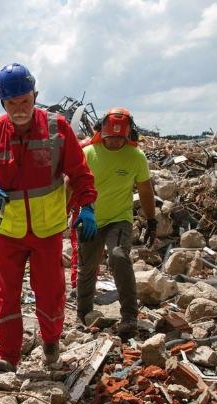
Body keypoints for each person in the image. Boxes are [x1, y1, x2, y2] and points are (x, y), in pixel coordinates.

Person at [0, 63, 97, 372]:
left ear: (35, 96)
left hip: (47, 231)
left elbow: (79, 172)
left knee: (50, 291)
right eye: (12, 104)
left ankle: (51, 343)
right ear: (3, 103)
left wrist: (88, 206)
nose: (19, 109)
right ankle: (8, 355)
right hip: (8, 232)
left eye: (25, 101)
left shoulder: (57, 129)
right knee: (6, 294)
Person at [76, 107, 157, 338]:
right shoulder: (89, 153)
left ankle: (130, 316)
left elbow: (145, 190)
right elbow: (72, 185)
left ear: (128, 135)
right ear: (102, 132)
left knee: (119, 256)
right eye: (110, 138)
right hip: (90, 217)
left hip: (119, 219)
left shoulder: (136, 157)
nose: (114, 143)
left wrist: (151, 221)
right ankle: (84, 315)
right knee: (87, 268)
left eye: (119, 138)